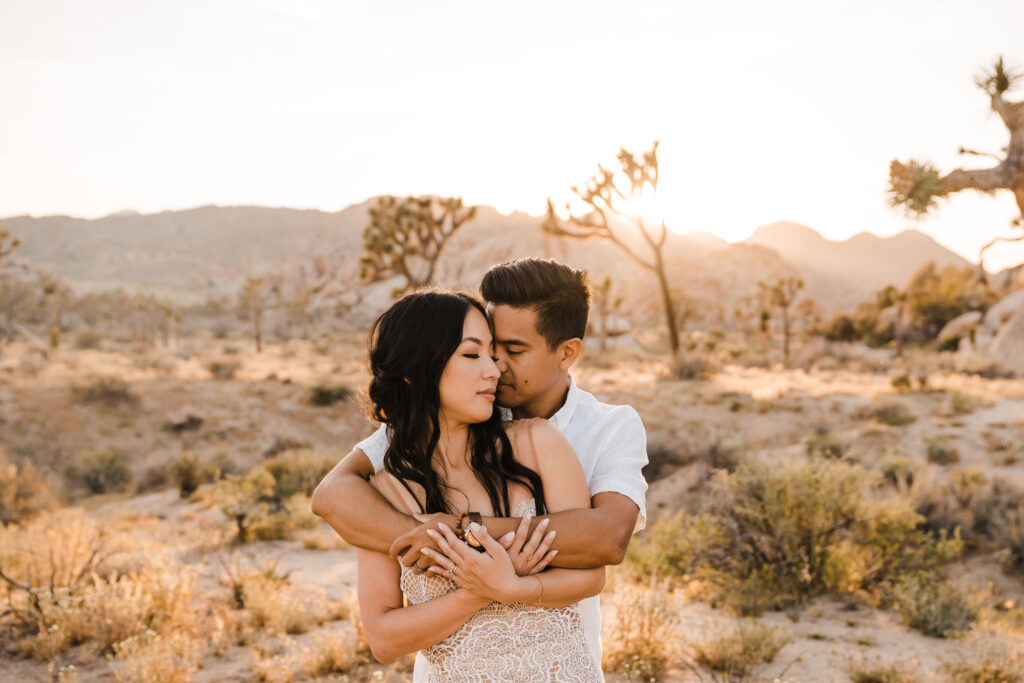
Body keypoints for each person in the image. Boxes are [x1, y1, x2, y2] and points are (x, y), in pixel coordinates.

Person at [312, 258, 649, 679]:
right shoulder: (406, 448)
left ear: (567, 353)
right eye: (485, 350)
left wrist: (460, 531)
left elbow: (607, 539)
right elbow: (330, 496)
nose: (497, 368)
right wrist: (458, 557)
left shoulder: (601, 428)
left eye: (512, 350)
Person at [353, 290, 604, 681]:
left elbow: (591, 576)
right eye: (472, 355)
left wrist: (515, 587)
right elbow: (384, 640)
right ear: (417, 367)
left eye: (493, 354)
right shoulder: (382, 494)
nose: (494, 370)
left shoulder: (538, 444)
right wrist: (483, 587)